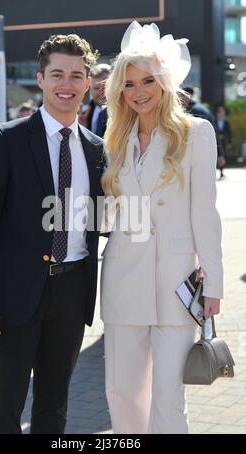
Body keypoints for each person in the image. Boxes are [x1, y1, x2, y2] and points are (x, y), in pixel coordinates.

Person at [0, 33, 105, 434]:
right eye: (57, 74)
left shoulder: (97, 149)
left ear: (87, 83)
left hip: (73, 293)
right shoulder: (6, 139)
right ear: (41, 80)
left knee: (54, 408)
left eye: (76, 75)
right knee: (5, 410)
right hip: (13, 298)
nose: (67, 84)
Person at [100, 21, 223, 434]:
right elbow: (108, 213)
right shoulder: (116, 138)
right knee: (122, 391)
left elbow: (205, 213)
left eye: (148, 80)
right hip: (122, 277)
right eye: (130, 83)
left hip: (176, 284)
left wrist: (215, 284)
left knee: (169, 395)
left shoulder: (195, 133)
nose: (139, 91)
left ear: (166, 81)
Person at [180, 86, 226, 171]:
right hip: (207, 150)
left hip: (195, 152)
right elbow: (215, 132)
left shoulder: (190, 111)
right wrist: (220, 153)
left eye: (181, 95)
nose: (180, 98)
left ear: (187, 96)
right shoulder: (204, 109)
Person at [79, 63, 111, 137]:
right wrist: (81, 129)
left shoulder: (124, 112)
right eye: (96, 88)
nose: (101, 92)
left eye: (105, 87)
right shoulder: (83, 115)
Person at [216, 106, 232, 179]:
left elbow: (229, 133)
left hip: (224, 142)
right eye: (219, 112)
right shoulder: (214, 120)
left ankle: (221, 172)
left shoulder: (226, 122)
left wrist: (229, 142)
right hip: (216, 141)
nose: (221, 113)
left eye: (222, 112)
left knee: (223, 155)